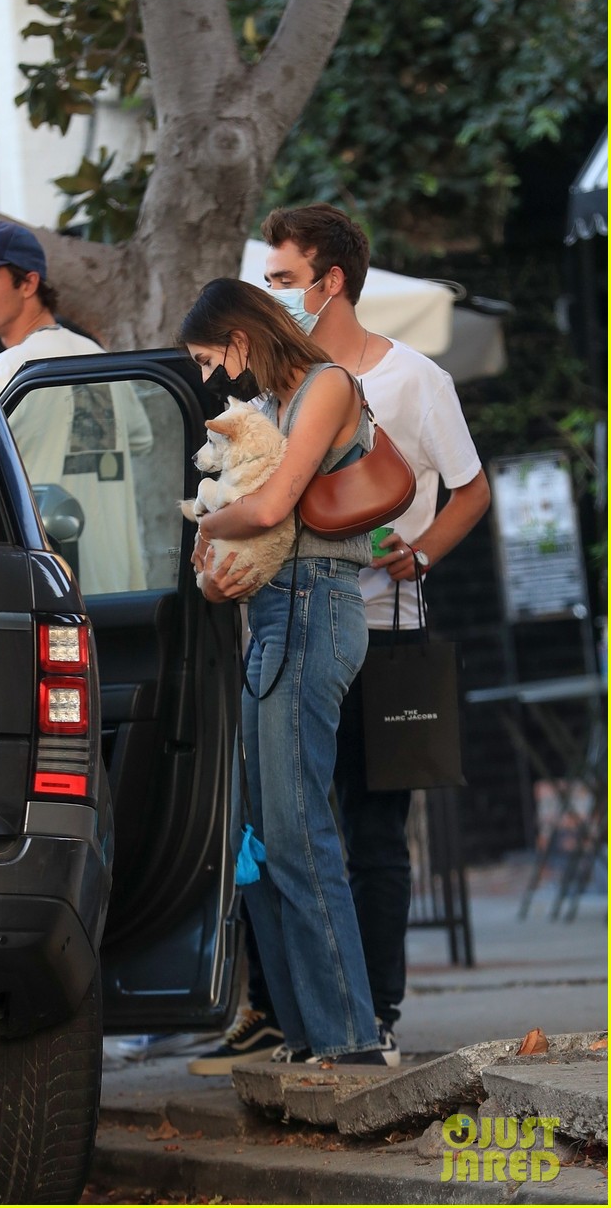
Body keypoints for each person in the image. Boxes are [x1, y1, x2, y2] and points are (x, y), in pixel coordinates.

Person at [179, 277, 386, 1067]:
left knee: (298, 835)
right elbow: (228, 556)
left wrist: (204, 526)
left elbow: (270, 509)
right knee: (257, 844)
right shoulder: (266, 408)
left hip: (315, 605)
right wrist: (211, 564)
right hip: (271, 615)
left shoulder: (327, 385)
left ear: (240, 336)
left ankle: (349, 1043)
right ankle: (307, 1039)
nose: (209, 378)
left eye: (208, 358)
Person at [0, 220, 153, 594]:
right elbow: (140, 439)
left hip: (49, 586)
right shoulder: (96, 355)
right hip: (118, 587)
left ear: (28, 283)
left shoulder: (9, 368)